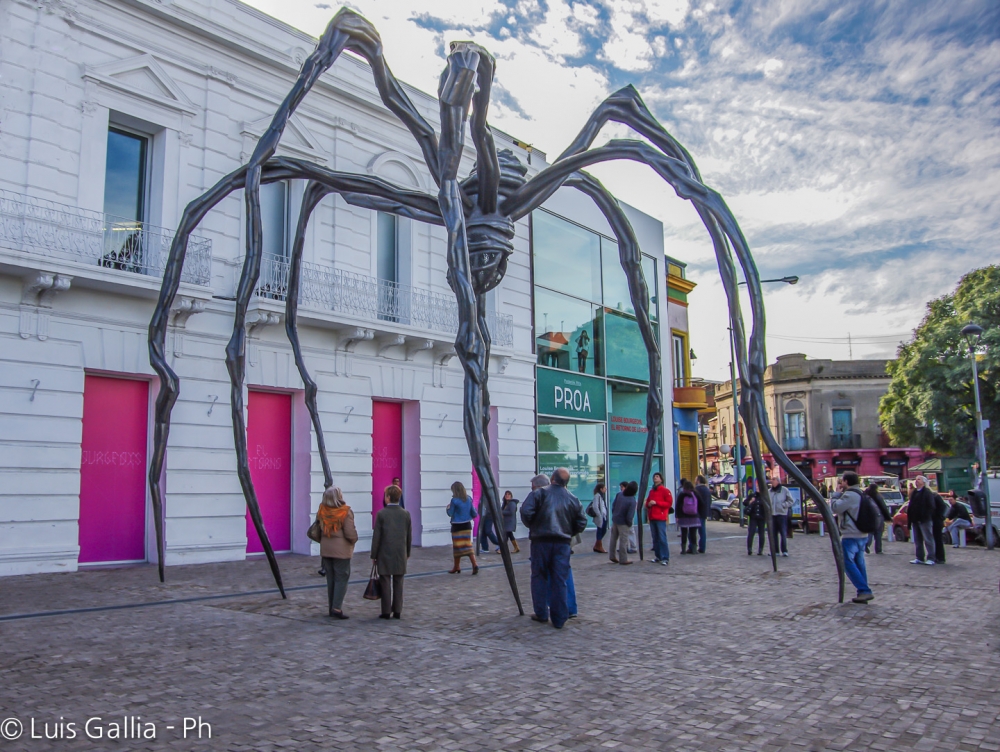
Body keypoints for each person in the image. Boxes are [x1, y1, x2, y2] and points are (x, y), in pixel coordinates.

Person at [520, 468, 587, 629]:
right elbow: (581, 522)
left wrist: (535, 526)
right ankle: (559, 618)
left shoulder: (539, 494)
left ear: (552, 478)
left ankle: (542, 613)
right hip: (562, 542)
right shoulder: (573, 499)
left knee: (539, 577)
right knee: (559, 579)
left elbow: (525, 511)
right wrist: (568, 531)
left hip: (541, 540)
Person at [831, 471, 875, 604]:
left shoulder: (849, 495)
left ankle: (864, 590)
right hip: (862, 534)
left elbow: (835, 508)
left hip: (851, 534)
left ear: (846, 482)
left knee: (847, 562)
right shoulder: (861, 494)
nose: (841, 483)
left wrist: (836, 494)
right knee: (859, 563)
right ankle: (862, 592)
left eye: (842, 481)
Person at [316, 486, 358, 619]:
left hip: (326, 550)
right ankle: (337, 608)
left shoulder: (322, 511)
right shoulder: (345, 512)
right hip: (341, 551)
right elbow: (350, 533)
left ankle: (331, 607)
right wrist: (354, 540)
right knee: (341, 578)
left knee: (331, 579)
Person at [370, 484, 411, 619]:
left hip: (384, 552)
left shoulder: (381, 514)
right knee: (399, 582)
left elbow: (377, 536)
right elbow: (408, 536)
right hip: (400, 552)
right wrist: (408, 552)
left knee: (385, 581)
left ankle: (386, 611)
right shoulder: (405, 514)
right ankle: (398, 610)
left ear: (388, 497)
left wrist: (374, 554)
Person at [446, 481, 479, 574]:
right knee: (468, 545)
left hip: (457, 526)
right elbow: (474, 513)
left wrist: (447, 508)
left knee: (457, 547)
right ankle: (474, 564)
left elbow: (450, 513)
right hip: (467, 525)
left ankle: (457, 566)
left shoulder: (454, 500)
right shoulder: (468, 499)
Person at [645, 472, 673, 565]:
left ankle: (665, 557)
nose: (655, 478)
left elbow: (668, 504)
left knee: (662, 537)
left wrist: (656, 503)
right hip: (652, 517)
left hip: (660, 517)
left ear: (661, 479)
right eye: (654, 477)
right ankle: (658, 556)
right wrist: (648, 504)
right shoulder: (651, 491)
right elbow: (648, 502)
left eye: (657, 477)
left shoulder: (665, 491)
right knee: (655, 538)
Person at [908, 475, 936, 565]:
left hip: (924, 520)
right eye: (915, 480)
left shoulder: (927, 492)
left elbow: (931, 506)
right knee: (918, 540)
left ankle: (931, 558)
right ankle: (919, 557)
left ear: (923, 482)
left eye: (919, 479)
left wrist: (925, 515)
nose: (916, 481)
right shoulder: (914, 492)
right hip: (915, 520)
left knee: (928, 539)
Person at [609, 481, 638, 565]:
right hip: (624, 522)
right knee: (623, 540)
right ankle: (623, 559)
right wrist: (629, 523)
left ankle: (612, 555)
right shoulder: (632, 500)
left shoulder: (619, 494)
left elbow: (613, 506)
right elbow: (630, 515)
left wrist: (614, 514)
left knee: (613, 538)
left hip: (615, 519)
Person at [769, 476, 794, 557]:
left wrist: (783, 505)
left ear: (778, 481)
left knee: (783, 533)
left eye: (773, 479)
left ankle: (784, 550)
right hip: (773, 515)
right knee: (773, 534)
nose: (771, 481)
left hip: (782, 514)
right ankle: (775, 551)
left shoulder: (784, 490)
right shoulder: (769, 491)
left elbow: (791, 501)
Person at [865, 482, 893, 554]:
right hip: (879, 516)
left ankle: (867, 544)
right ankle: (878, 549)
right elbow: (883, 507)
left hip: (868, 516)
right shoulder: (878, 496)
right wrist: (888, 517)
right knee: (878, 533)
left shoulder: (865, 496)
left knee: (870, 532)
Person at [675, 479, 701, 555]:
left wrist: (677, 515)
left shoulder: (682, 494)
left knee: (684, 533)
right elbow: (701, 503)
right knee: (693, 533)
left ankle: (683, 550)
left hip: (683, 517)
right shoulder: (696, 493)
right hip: (694, 516)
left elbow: (678, 505)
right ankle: (694, 550)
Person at [694, 475, 713, 554]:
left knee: (693, 530)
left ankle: (693, 546)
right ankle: (702, 547)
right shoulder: (707, 490)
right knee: (702, 531)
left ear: (698, 480)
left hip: (697, 512)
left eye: (695, 479)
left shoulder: (696, 489)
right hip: (704, 512)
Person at [588, 483, 609, 554]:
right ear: (601, 489)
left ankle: (597, 545)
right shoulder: (597, 496)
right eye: (604, 488)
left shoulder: (602, 496)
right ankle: (599, 546)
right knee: (600, 530)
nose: (606, 489)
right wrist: (599, 515)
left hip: (604, 516)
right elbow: (595, 506)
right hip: (601, 516)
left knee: (604, 530)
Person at [932, 491, 949, 564]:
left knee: (938, 539)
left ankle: (940, 557)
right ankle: (937, 556)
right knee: (935, 539)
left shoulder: (935, 496)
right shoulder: (934, 496)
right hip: (935, 520)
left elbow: (944, 507)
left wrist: (941, 517)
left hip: (937, 521)